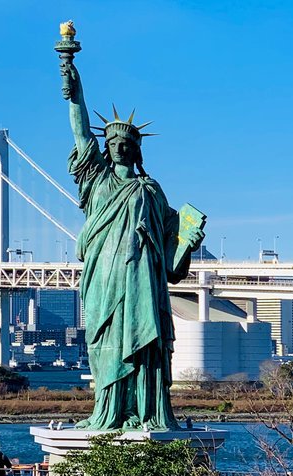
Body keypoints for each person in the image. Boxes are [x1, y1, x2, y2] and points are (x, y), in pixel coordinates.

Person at [60, 35, 204, 431]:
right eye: (114, 141)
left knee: (147, 346)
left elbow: (172, 261)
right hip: (105, 276)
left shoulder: (151, 191)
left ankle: (148, 411)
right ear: (106, 147)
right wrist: (73, 81)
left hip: (143, 277)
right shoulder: (96, 180)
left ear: (137, 149)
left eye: (127, 142)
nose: (120, 146)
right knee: (107, 343)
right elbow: (79, 131)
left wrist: (188, 244)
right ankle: (108, 411)